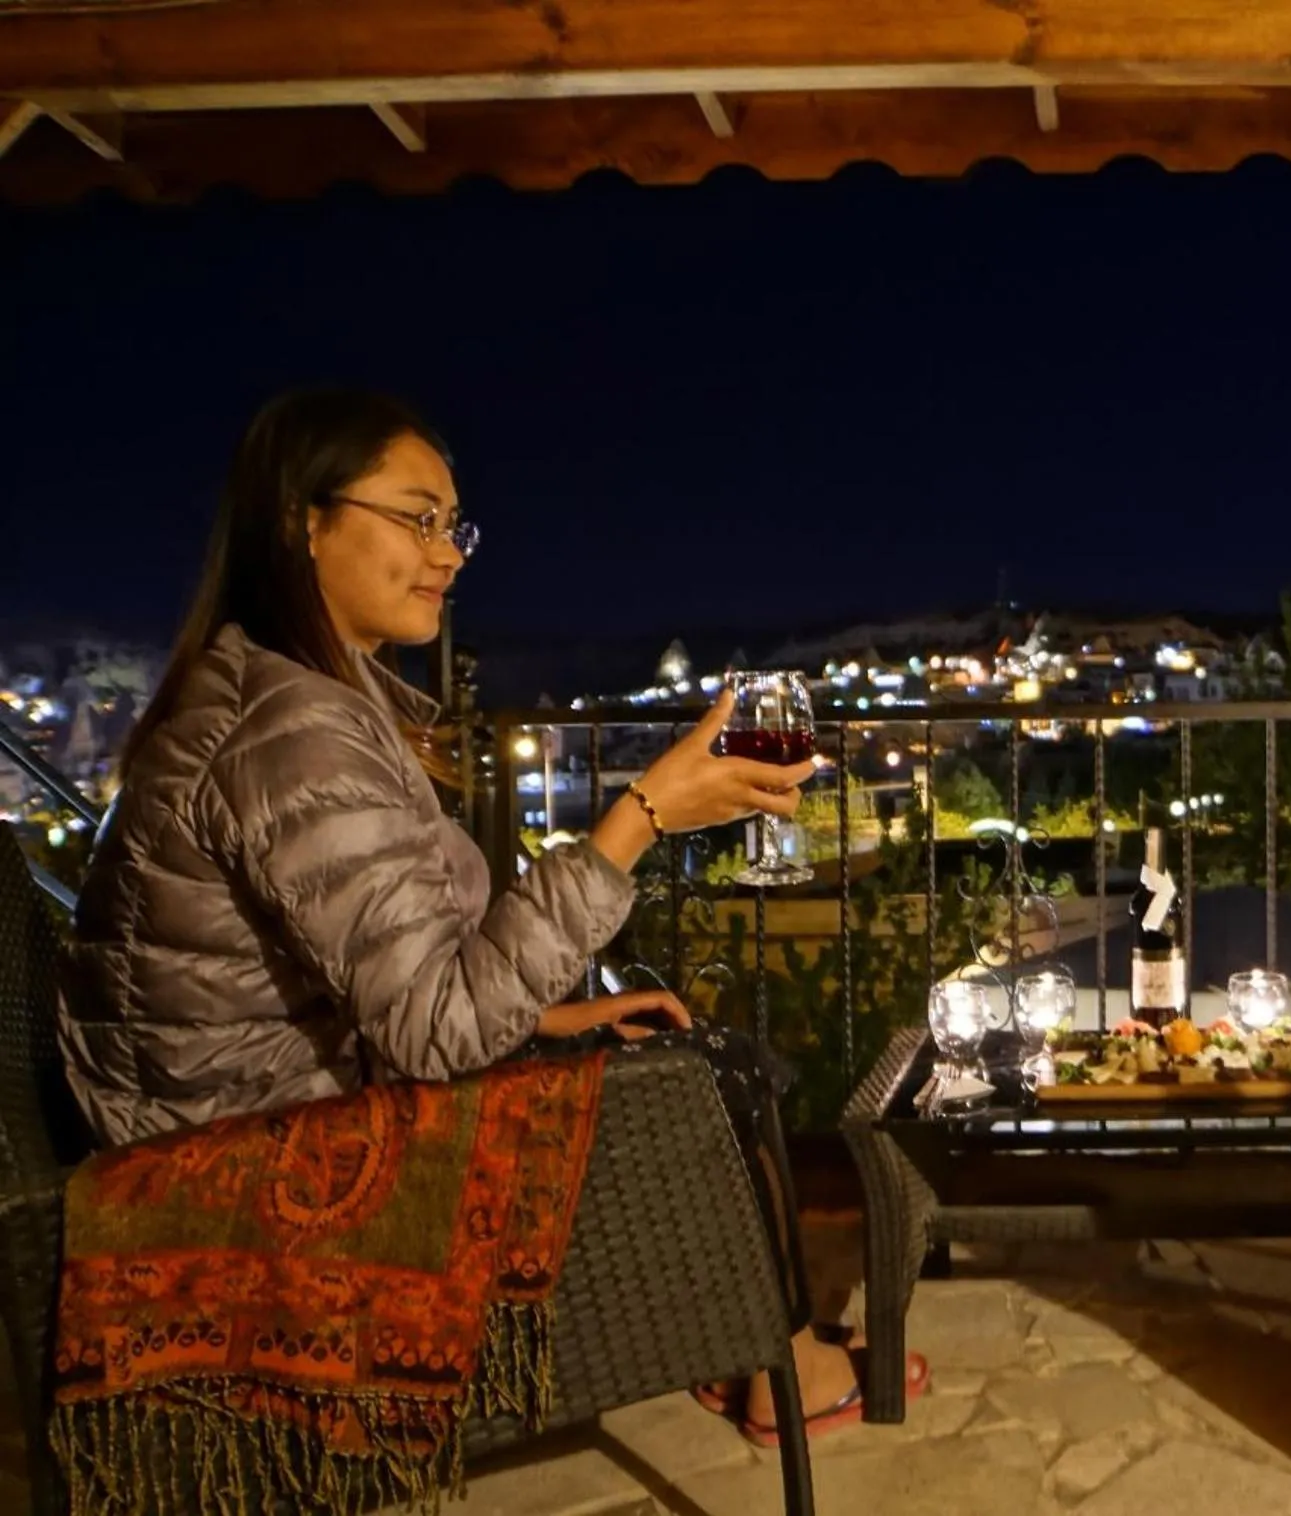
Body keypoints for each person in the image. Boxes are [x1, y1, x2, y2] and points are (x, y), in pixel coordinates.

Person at [60, 389, 922, 1443]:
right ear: (305, 520)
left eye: (453, 526)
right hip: (246, 1168)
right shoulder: (292, 730)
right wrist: (641, 816)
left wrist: (554, 1020)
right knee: (707, 1087)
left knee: (680, 1053)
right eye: (417, 517)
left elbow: (380, 982)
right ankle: (776, 1361)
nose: (449, 552)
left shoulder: (282, 692)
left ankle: (761, 1343)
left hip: (255, 1106)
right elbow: (435, 1033)